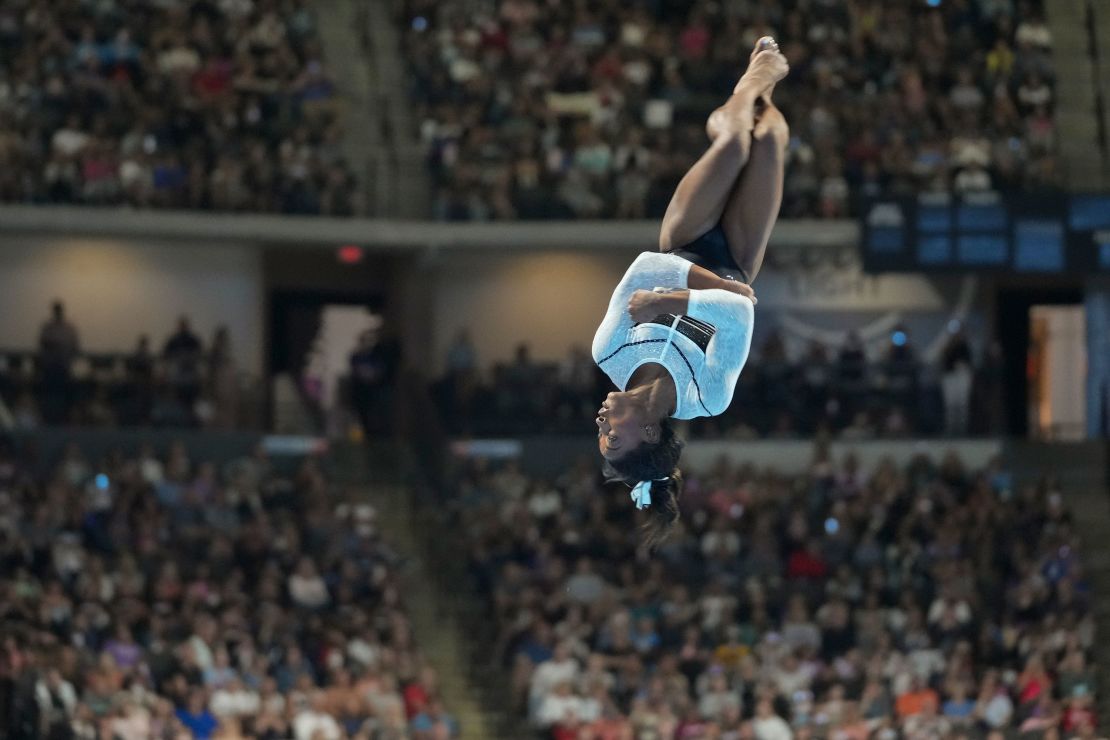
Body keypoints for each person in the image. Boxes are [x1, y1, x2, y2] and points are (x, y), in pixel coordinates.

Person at [592, 38, 789, 546]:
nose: (602, 426)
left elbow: (646, 267)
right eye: (613, 438)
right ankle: (751, 95)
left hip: (683, 238)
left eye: (601, 437)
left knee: (732, 145)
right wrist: (669, 301)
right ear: (650, 433)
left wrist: (710, 291)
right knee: (770, 137)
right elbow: (741, 319)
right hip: (737, 259)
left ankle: (756, 74)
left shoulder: (609, 352)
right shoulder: (708, 395)